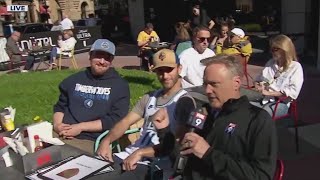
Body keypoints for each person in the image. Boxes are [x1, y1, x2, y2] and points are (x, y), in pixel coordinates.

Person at [153, 54, 278, 180]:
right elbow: (181, 160)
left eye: (214, 84)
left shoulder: (257, 120)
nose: (207, 90)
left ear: (236, 83)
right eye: (205, 83)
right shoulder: (202, 113)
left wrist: (208, 154)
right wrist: (164, 131)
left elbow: (261, 176)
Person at [96, 49, 196, 179]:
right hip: (130, 155)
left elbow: (177, 145)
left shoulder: (184, 102)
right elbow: (126, 122)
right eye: (160, 71)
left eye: (169, 70)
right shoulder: (150, 97)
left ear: (179, 68)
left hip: (155, 164)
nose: (165, 76)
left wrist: (141, 152)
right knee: (90, 169)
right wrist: (106, 141)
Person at [53, 39, 130, 154]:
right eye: (98, 56)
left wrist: (80, 127)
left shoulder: (120, 86)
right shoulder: (73, 80)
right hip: (59, 132)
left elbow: (115, 120)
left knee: (57, 159)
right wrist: (57, 125)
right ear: (90, 56)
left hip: (89, 140)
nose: (102, 61)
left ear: (111, 60)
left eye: (107, 58)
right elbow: (60, 106)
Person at [251, 34, 304, 118]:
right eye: (271, 49)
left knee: (262, 114)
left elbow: (293, 92)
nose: (272, 52)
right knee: (245, 107)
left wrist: (270, 92)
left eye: (275, 49)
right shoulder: (270, 63)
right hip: (265, 99)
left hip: (281, 103)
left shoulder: (295, 67)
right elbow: (258, 79)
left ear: (285, 49)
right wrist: (258, 85)